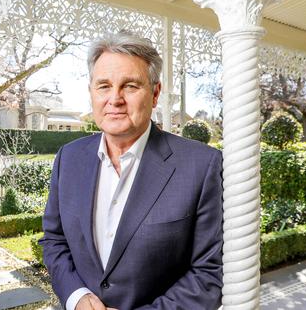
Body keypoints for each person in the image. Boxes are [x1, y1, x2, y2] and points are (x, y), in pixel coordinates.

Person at [39, 32, 223, 310]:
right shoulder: (69, 158)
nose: (115, 99)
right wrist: (77, 297)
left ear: (155, 93)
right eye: (103, 86)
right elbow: (54, 239)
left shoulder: (203, 165)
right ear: (91, 91)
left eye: (130, 86)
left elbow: (210, 273)